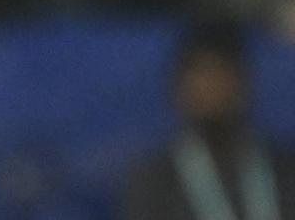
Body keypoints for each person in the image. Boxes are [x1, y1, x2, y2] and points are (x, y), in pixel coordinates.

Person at [124, 21, 295, 220]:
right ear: (179, 90)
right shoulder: (154, 182)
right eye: (201, 75)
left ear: (244, 84)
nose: (211, 87)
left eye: (221, 73)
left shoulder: (285, 171)